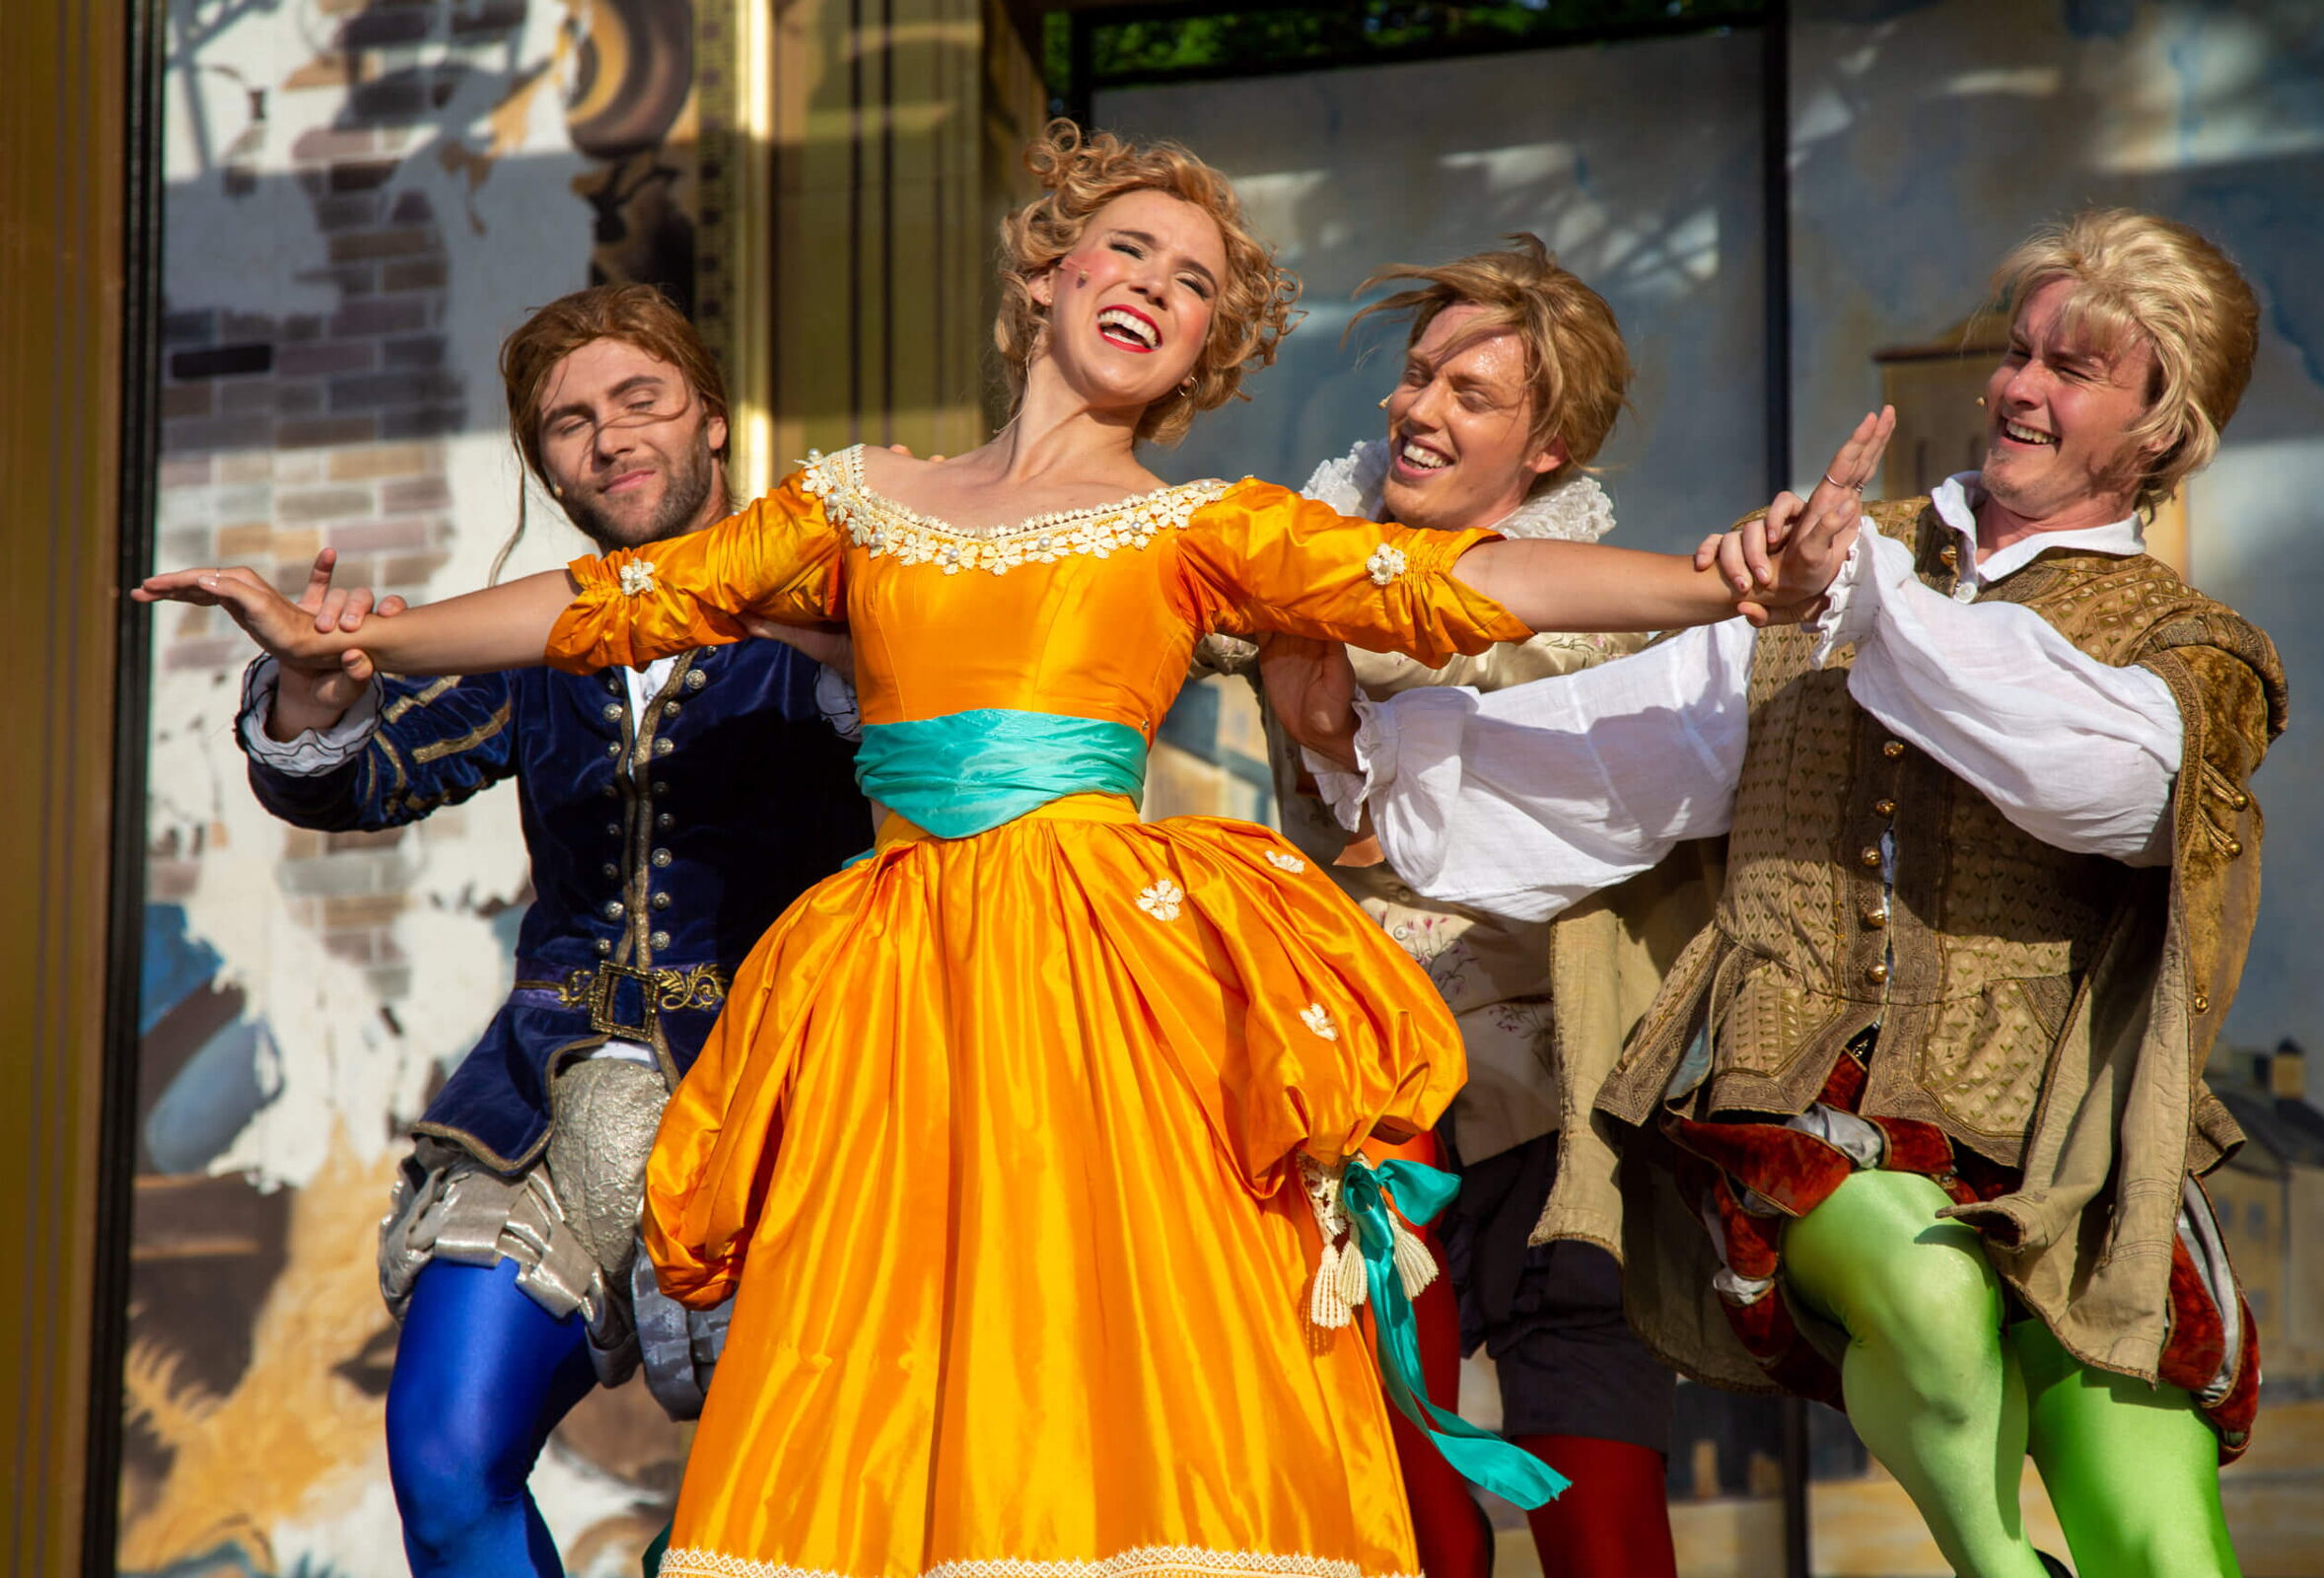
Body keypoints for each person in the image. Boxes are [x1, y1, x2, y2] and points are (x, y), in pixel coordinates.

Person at [138, 121, 1881, 1578]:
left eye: (1195, 287)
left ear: (1201, 355)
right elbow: (616, 602)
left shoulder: (1197, 527)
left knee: (1099, 1376)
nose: (1158, 288)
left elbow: (1454, 586)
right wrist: (361, 641)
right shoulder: (856, 503)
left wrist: (1723, 582)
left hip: (1096, 991)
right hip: (895, 992)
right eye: (1131, 250)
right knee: (883, 1381)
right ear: (1048, 270)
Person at [1276, 209, 2281, 1578]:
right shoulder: (1828, 567)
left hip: (2078, 1147)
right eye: (2019, 352)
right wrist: (1360, 744)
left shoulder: (2191, 649)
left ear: (2161, 426)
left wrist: (1869, 595)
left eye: (2073, 368)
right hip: (1825, 1117)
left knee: (2163, 1542)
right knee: (1923, 1301)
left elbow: (2101, 780)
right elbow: (1612, 753)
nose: (2019, 387)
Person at [227, 283, 874, 1576]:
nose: (611, 437)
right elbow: (363, 780)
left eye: (642, 399)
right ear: (546, 465)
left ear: (712, 420)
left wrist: (844, 647)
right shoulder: (542, 639)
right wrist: (308, 691)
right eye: (570, 423)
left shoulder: (831, 605)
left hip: (784, 1099)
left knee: (784, 1518)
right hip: (543, 1099)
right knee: (445, 1468)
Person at [1202, 236, 1679, 1578]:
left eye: (1472, 394)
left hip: (1558, 1103)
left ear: (1548, 447)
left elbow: (1482, 643)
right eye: (1419, 375)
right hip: (1364, 1094)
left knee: (1603, 1515)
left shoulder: (1602, 622)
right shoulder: (1293, 552)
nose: (1419, 408)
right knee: (1402, 1508)